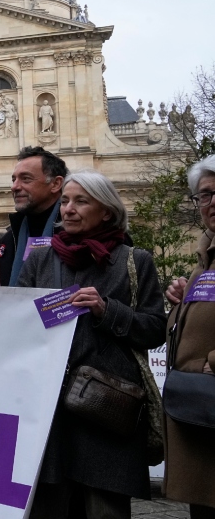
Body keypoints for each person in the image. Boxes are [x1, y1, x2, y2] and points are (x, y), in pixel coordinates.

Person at [16, 170, 166, 518]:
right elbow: (15, 323)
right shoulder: (40, 260)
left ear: (107, 211)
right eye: (65, 201)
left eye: (81, 201)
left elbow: (155, 328)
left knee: (104, 510)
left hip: (107, 413)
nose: (68, 209)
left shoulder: (134, 260)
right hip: (50, 415)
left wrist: (107, 310)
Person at [162, 155, 215, 518]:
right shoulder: (206, 257)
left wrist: (211, 365)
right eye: (205, 195)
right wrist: (184, 301)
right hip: (203, 413)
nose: (212, 203)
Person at [0, 146, 68, 286]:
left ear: (55, 184)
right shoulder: (9, 239)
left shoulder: (77, 234)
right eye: (14, 180)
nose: (14, 187)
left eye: (26, 179)